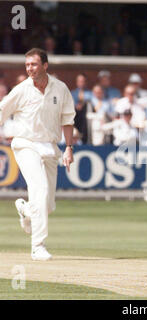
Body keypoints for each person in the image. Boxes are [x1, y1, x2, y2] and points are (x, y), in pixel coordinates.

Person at [0, 48, 75, 260]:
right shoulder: (21, 89)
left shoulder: (60, 89)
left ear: (45, 65)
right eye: (27, 65)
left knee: (47, 205)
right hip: (25, 144)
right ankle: (38, 246)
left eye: (33, 64)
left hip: (50, 147)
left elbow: (67, 120)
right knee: (39, 189)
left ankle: (25, 209)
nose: (30, 69)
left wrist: (68, 147)